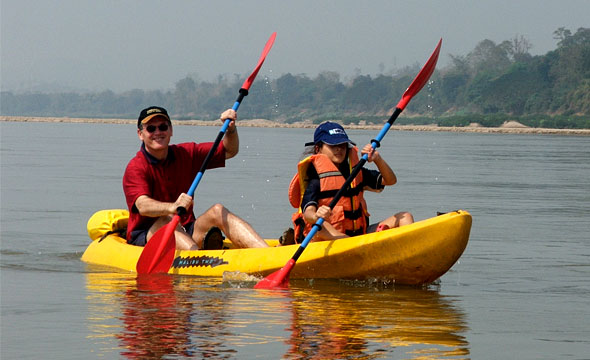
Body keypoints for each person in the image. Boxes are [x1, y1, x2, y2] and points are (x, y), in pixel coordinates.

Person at [123, 105, 269, 250]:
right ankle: (199, 259)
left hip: (187, 229)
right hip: (146, 236)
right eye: (151, 128)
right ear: (140, 134)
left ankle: (266, 253)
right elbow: (142, 206)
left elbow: (229, 151)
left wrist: (230, 129)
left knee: (217, 210)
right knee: (165, 220)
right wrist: (172, 207)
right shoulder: (136, 167)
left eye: (163, 127)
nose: (158, 132)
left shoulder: (186, 153)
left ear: (171, 130)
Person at [288, 121, 413, 243]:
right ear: (318, 148)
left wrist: (377, 159)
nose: (339, 149)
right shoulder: (315, 179)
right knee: (321, 229)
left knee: (405, 217)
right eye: (332, 145)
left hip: (359, 236)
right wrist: (316, 216)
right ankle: (359, 246)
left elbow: (390, 180)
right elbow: (308, 212)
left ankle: (408, 253)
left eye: (342, 145)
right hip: (329, 238)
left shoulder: (356, 173)